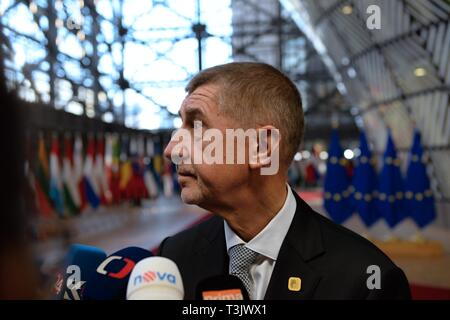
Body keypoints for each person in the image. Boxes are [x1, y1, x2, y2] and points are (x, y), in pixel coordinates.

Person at [159, 62, 410, 300]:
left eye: (197, 126)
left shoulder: (364, 281)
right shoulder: (174, 259)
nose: (172, 149)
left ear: (262, 147)